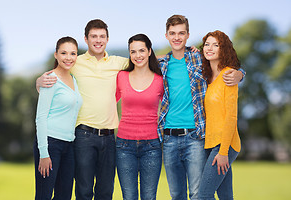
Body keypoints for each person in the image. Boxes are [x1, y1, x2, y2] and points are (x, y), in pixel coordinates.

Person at [36, 19, 128, 200]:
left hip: (109, 137)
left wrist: (185, 52)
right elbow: (57, 73)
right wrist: (39, 82)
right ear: (86, 39)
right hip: (83, 136)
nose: (98, 40)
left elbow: (144, 59)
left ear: (108, 39)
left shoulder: (118, 62)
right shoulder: (75, 61)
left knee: (105, 191)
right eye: (94, 36)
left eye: (102, 36)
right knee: (83, 191)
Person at [157, 15, 245, 200]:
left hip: (196, 137)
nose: (177, 37)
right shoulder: (162, 64)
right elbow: (137, 61)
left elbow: (231, 114)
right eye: (172, 33)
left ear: (188, 35)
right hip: (172, 138)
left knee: (200, 195)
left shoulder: (199, 59)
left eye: (181, 33)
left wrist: (240, 73)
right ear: (166, 35)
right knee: (182, 195)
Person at [116, 34, 164, 200]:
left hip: (152, 146)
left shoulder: (160, 80)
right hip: (123, 146)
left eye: (142, 50)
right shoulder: (121, 77)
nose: (138, 55)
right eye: (133, 51)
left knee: (149, 197)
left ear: (150, 51)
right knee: (129, 197)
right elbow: (106, 101)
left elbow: (168, 107)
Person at [34, 36, 82, 200]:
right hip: (50, 144)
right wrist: (44, 153)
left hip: (69, 145)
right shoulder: (50, 79)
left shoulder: (74, 80)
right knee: (44, 196)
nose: (68, 58)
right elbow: (40, 117)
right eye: (63, 53)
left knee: (64, 196)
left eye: (72, 53)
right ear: (56, 55)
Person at [197, 30, 241, 200]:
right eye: (207, 44)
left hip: (224, 145)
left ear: (224, 50)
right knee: (225, 196)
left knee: (204, 195)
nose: (210, 48)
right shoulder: (208, 77)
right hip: (210, 143)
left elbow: (231, 116)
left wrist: (223, 152)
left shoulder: (229, 75)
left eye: (216, 45)